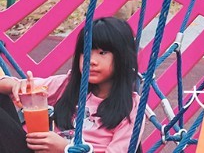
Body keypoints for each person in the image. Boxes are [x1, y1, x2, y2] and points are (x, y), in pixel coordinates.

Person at [0, 16, 140, 153]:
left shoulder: (132, 107)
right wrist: (14, 85)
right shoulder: (69, 85)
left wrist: (66, 149)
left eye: (102, 53)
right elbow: (19, 86)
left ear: (123, 57)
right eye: (85, 53)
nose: (91, 61)